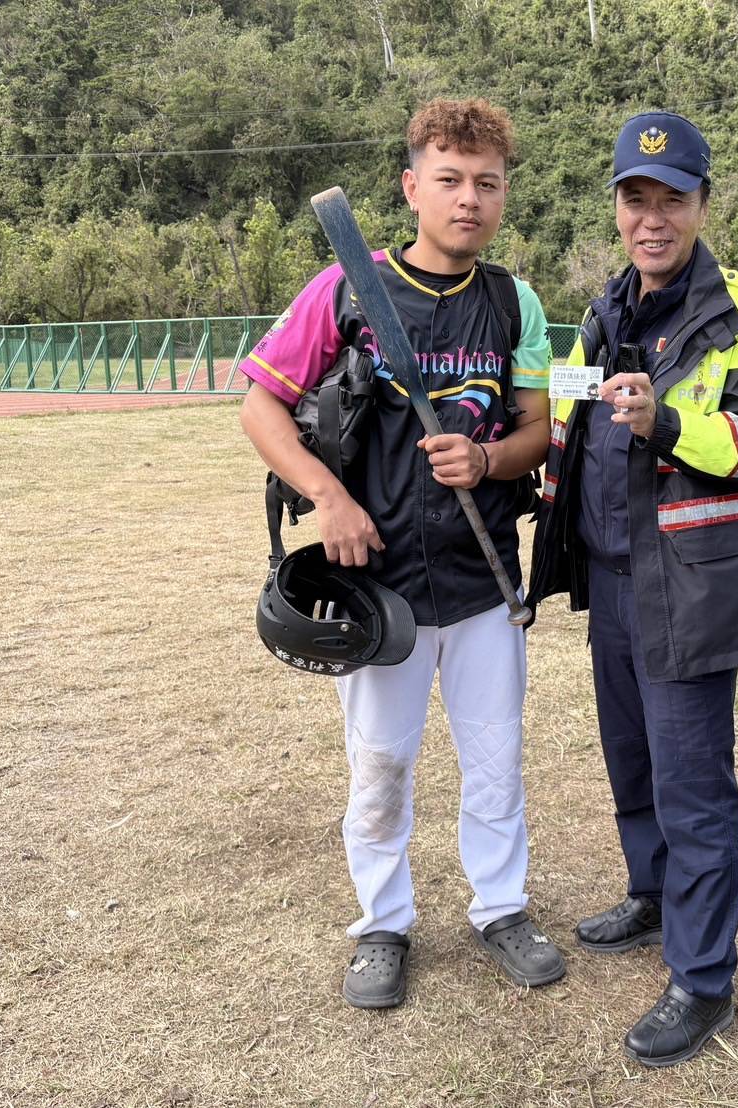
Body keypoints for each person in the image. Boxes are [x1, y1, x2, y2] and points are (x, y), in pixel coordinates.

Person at [237, 98, 564, 1008]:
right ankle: (382, 924)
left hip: (482, 581)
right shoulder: (345, 288)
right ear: (412, 187)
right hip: (377, 586)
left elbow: (537, 430)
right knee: (379, 766)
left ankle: (501, 908)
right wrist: (329, 497)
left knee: (496, 760)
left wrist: (489, 459)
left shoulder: (513, 301)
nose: (469, 199)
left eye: (487, 183)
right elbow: (260, 406)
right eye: (449, 180)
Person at [529, 111, 738, 1067]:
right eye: (635, 199)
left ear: (700, 205)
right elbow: (574, 425)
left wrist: (666, 425)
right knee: (634, 764)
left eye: (671, 200)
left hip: (685, 584)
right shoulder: (605, 306)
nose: (652, 219)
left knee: (692, 783)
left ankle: (703, 980)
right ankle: (652, 897)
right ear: (615, 207)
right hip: (609, 577)